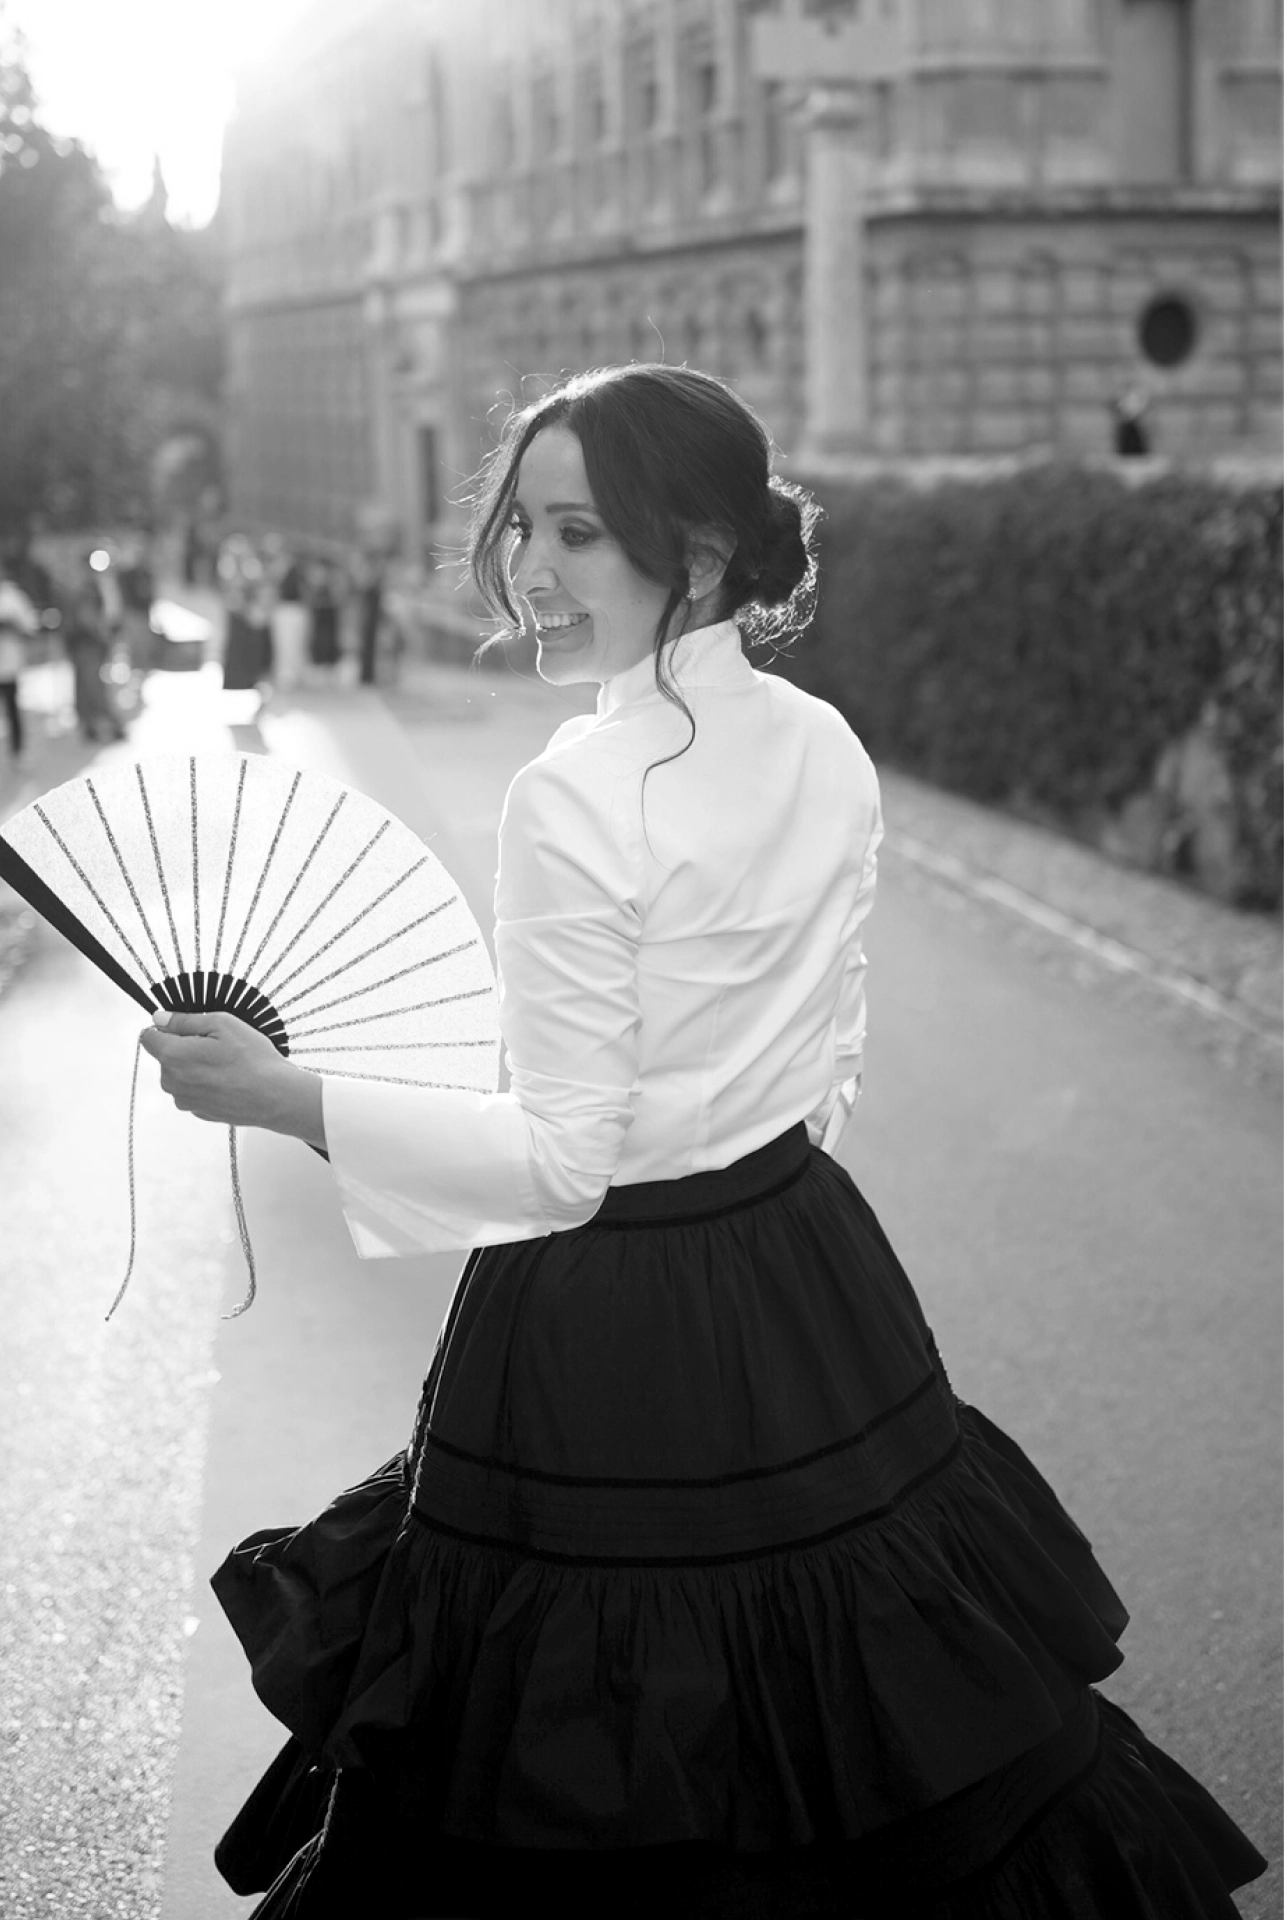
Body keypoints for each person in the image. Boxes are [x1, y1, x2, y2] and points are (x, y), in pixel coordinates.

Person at [140, 364, 1266, 1919]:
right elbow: (830, 1061)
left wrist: (277, 1093)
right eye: (522, 526)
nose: (531, 570)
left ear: (710, 556)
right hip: (807, 1273)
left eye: (582, 533)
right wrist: (716, 1130)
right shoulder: (825, 743)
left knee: (561, 1750)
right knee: (866, 1724)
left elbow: (559, 1163)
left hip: (601, 1325)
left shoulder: (575, 792)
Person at [64, 556, 125, 743]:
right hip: (81, 642)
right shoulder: (83, 588)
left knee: (92, 685)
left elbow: (90, 617)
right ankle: (90, 725)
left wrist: (101, 635)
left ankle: (111, 724)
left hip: (89, 643)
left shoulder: (91, 588)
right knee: (85, 685)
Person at [0, 560, 38, 762]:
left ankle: (17, 749)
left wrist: (11, 626)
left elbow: (29, 627)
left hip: (7, 664)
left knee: (11, 708)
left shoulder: (12, 597)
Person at [269, 554, 310, 693]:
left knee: (295, 644)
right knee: (284, 644)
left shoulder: (300, 574)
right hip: (285, 610)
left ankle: (295, 674)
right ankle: (286, 675)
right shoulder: (278, 573)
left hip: (295, 610)